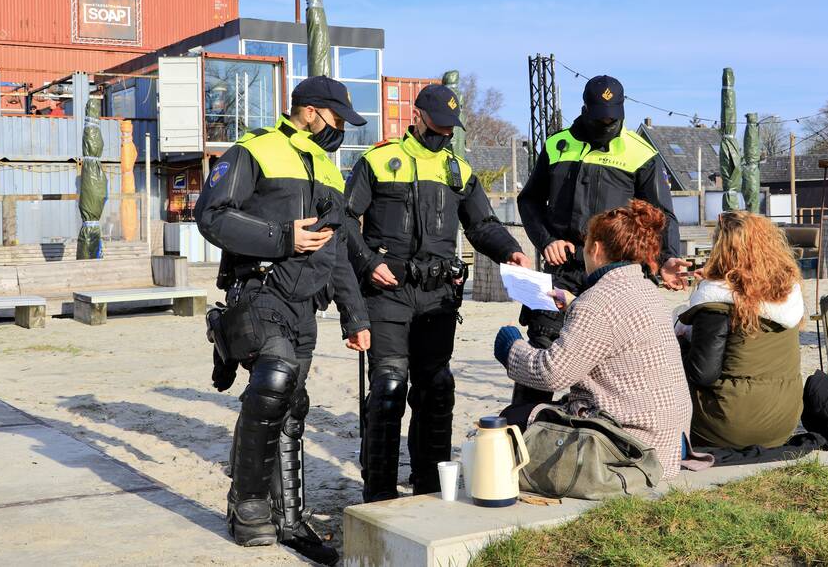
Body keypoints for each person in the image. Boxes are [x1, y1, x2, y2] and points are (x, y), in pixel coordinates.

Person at [195, 76, 371, 564]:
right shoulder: (254, 149)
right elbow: (210, 215)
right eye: (337, 120)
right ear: (311, 111)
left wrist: (354, 315)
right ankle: (247, 506)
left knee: (292, 406)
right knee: (275, 378)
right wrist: (280, 237)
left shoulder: (329, 171)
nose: (341, 130)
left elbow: (336, 255)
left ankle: (290, 519)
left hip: (304, 304)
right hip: (257, 290)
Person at [344, 83, 531, 502]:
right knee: (390, 387)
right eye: (437, 125)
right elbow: (344, 221)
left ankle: (429, 486)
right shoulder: (377, 161)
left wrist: (511, 251)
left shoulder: (458, 170)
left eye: (450, 127)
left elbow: (482, 225)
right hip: (387, 292)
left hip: (438, 298)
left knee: (436, 387)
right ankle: (379, 492)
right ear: (417, 116)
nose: (443, 134)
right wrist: (369, 263)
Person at [515, 74, 689, 406]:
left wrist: (667, 257)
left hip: (615, 277)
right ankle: (522, 438)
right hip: (561, 269)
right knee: (541, 356)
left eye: (614, 116)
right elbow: (529, 201)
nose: (608, 122)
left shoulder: (641, 153)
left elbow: (661, 216)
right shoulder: (557, 145)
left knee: (614, 362)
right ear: (585, 109)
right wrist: (546, 240)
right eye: (601, 116)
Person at [494, 200, 692, 479]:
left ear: (596, 248)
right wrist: (574, 304)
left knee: (512, 420)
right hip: (670, 437)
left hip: (634, 446)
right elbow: (614, 324)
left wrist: (510, 346)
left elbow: (552, 374)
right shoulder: (645, 288)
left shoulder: (598, 302)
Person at [674, 211, 804, 449]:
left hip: (729, 427)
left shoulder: (715, 299)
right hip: (782, 423)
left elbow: (702, 373)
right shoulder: (787, 291)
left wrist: (679, 343)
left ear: (721, 249)